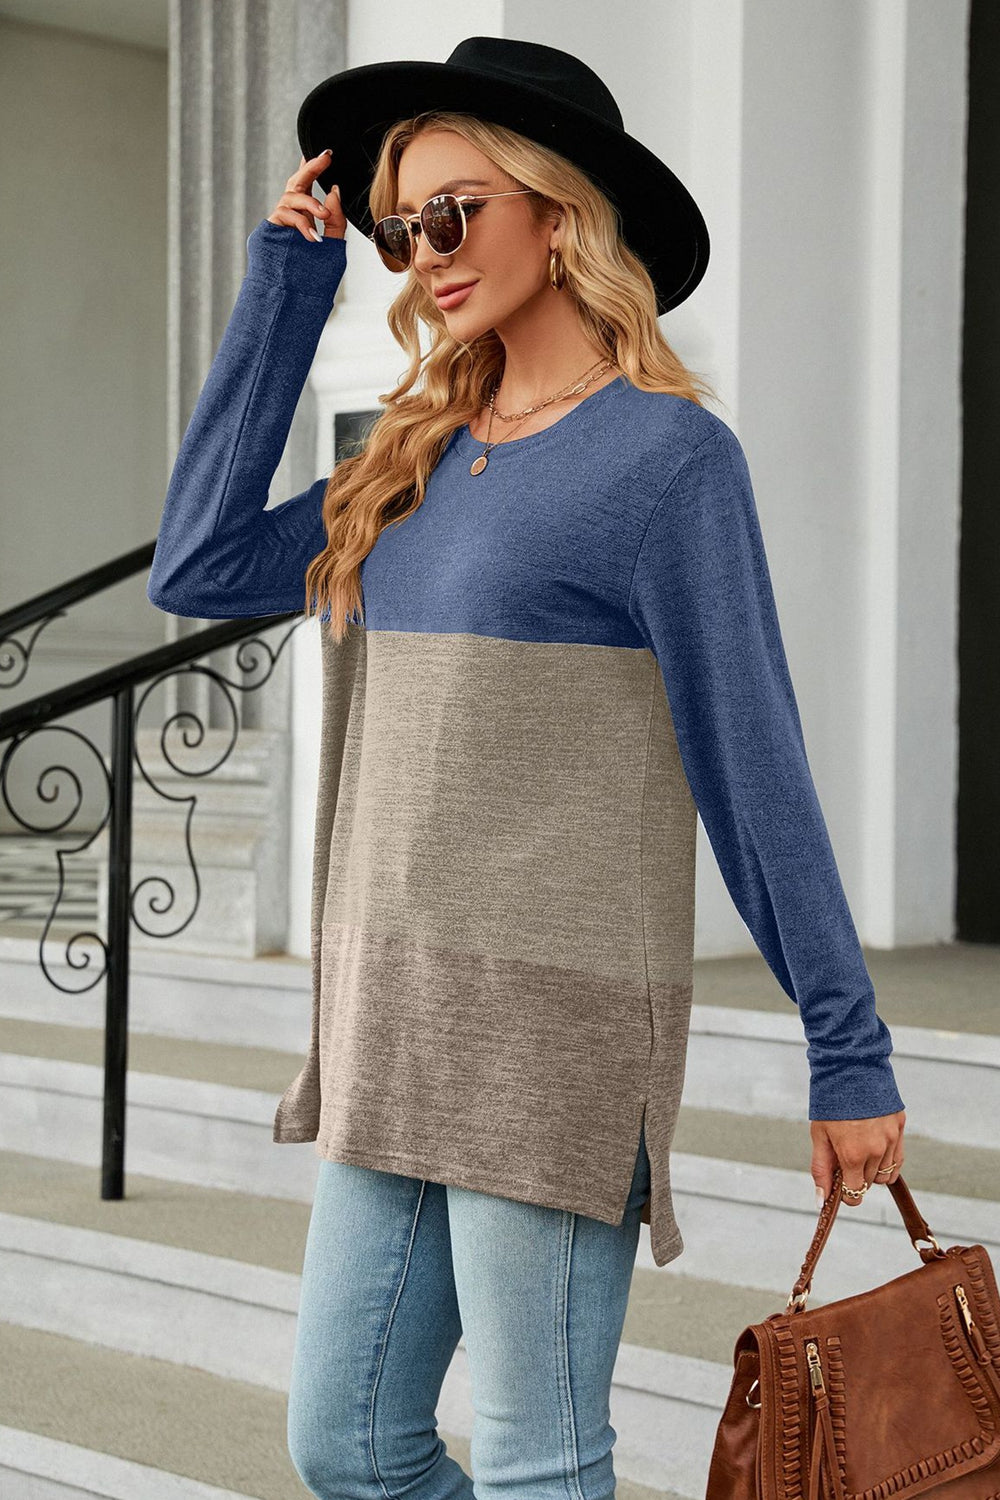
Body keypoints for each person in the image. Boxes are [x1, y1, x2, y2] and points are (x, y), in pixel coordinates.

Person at [147, 36, 906, 1500]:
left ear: (558, 215)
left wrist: (848, 1045)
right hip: (391, 1025)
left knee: (536, 1463)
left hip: (551, 1036)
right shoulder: (411, 456)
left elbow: (755, 766)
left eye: (453, 214)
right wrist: (288, 288)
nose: (424, 254)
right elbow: (198, 563)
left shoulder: (666, 462)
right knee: (347, 1447)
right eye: (399, 229)